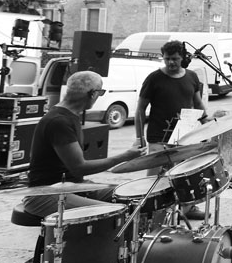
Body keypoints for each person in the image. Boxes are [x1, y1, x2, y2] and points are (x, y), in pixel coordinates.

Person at [23, 71, 143, 218]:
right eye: (101, 92)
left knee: (131, 194)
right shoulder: (59, 121)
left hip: (71, 186)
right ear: (93, 94)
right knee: (115, 213)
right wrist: (126, 156)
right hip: (46, 193)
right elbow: (79, 168)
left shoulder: (69, 115)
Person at [135, 40, 211, 219]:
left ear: (182, 58)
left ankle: (188, 208)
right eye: (167, 58)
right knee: (155, 179)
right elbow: (140, 109)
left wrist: (206, 125)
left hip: (184, 136)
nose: (171, 62)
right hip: (158, 137)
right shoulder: (154, 78)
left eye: (175, 59)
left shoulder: (192, 76)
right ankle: (150, 213)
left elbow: (197, 103)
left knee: (185, 175)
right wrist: (140, 138)